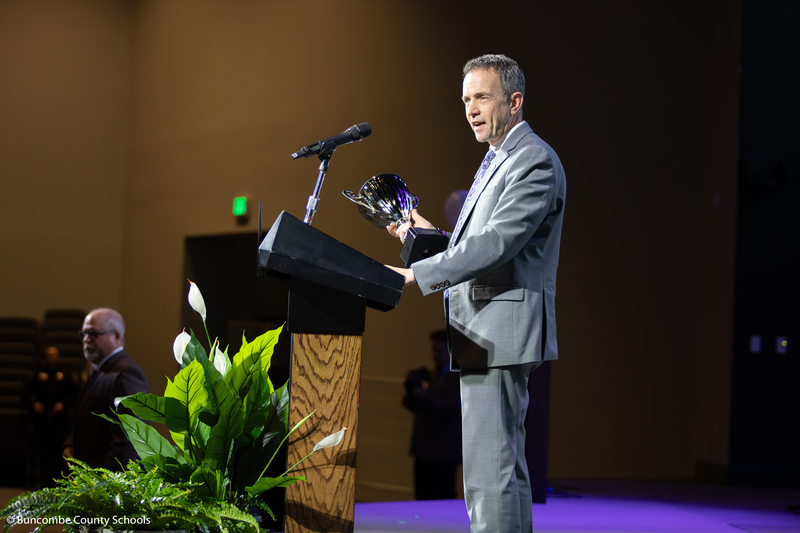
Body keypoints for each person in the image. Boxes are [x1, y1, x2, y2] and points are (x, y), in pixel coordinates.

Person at [387, 54, 566, 532]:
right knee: (499, 472)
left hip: (499, 334)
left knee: (490, 476)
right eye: (465, 99)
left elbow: (499, 243)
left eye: (481, 97)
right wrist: (426, 238)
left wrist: (418, 273)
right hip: (481, 331)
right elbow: (479, 246)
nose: (470, 108)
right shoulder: (498, 159)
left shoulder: (533, 160)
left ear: (515, 100)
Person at [63, 308, 150, 470]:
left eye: (94, 333)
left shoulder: (126, 374)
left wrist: (105, 486)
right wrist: (71, 443)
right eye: (84, 334)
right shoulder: (100, 371)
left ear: (116, 336)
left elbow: (129, 441)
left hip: (107, 487)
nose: (87, 339)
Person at [402, 329, 462, 500]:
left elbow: (451, 409)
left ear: (451, 351)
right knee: (422, 496)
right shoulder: (431, 375)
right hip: (423, 449)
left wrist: (425, 395)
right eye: (433, 350)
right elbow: (409, 405)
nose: (434, 355)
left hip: (443, 452)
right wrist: (413, 391)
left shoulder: (458, 378)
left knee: (441, 497)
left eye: (439, 351)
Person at [26, 346, 80, 486]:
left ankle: (61, 483)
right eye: (50, 356)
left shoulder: (66, 375)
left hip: (60, 424)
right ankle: (40, 483)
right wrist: (34, 403)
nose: (53, 358)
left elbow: (76, 394)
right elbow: (25, 393)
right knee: (42, 455)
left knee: (60, 455)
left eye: (56, 355)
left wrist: (63, 404)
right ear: (44, 358)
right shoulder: (37, 375)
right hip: (42, 423)